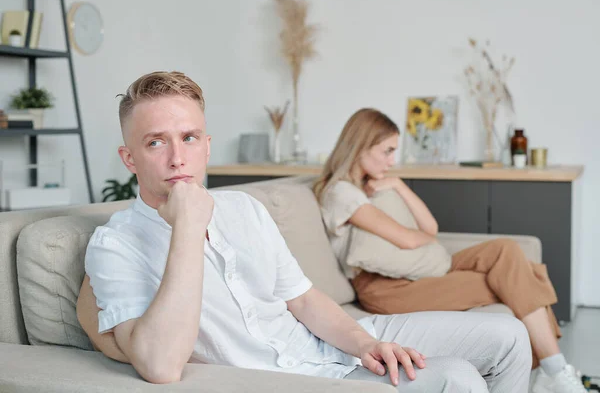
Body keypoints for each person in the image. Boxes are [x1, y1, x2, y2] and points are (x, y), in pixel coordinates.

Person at [76, 71, 532, 392]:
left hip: (336, 340)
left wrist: (367, 343)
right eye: (156, 141)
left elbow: (304, 299)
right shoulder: (116, 245)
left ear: (207, 147)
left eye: (189, 138)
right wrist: (188, 228)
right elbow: (159, 365)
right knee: (459, 378)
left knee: (509, 334)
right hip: (290, 377)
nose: (177, 157)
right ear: (130, 158)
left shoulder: (243, 208)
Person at [313, 108, 587, 393]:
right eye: (387, 151)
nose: (392, 161)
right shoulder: (340, 193)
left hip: (414, 268)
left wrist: (398, 185)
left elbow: (430, 228)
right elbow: (407, 239)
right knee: (516, 280)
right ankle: (554, 370)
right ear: (360, 146)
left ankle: (551, 371)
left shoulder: (371, 186)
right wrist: (422, 239)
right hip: (387, 288)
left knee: (507, 251)